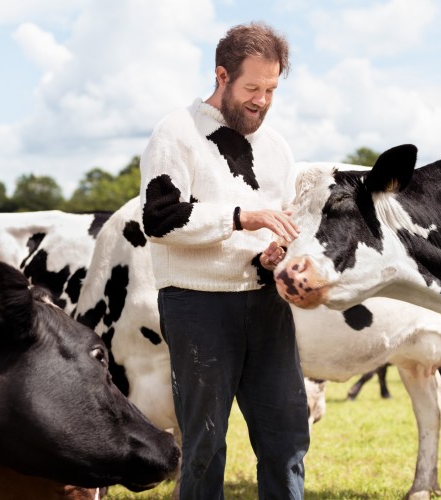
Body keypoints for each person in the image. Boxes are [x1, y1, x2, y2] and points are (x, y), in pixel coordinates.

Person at [138, 21, 309, 499]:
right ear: (221, 75)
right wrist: (241, 217)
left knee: (287, 435)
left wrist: (273, 256)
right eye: (252, 88)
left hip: (266, 305)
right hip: (197, 305)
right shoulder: (175, 133)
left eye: (271, 90)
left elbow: (280, 223)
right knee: (205, 444)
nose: (262, 100)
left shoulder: (277, 148)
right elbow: (159, 220)